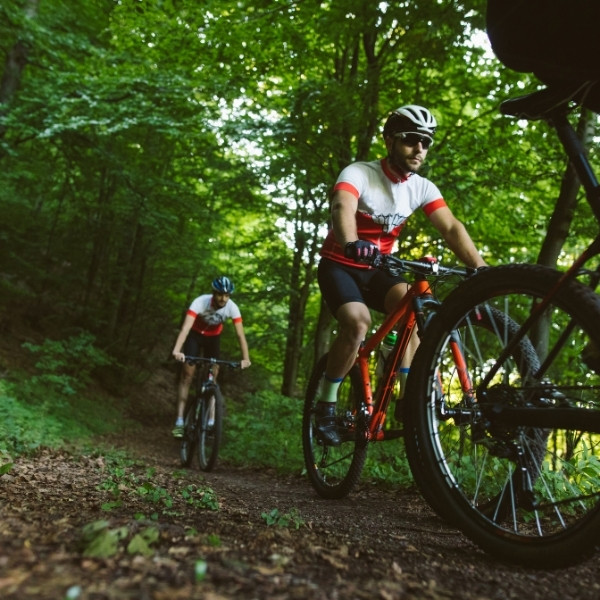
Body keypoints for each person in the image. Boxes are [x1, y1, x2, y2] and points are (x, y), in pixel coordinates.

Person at [315, 105, 487, 445]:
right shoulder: (359, 173)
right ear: (390, 141)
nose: (419, 148)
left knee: (416, 306)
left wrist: (481, 271)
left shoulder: (421, 187)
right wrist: (351, 243)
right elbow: (342, 206)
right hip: (342, 265)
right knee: (357, 322)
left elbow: (451, 228)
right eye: (411, 140)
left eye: (426, 142)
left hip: (382, 269)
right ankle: (326, 406)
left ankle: (408, 397)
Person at [171, 276, 251, 437]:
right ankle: (179, 420)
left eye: (227, 295)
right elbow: (185, 328)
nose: (224, 298)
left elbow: (240, 335)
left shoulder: (232, 308)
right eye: (220, 294)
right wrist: (177, 350)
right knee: (187, 375)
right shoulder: (200, 302)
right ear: (213, 293)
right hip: (194, 336)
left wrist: (246, 358)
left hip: (213, 338)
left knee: (213, 377)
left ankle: (211, 422)